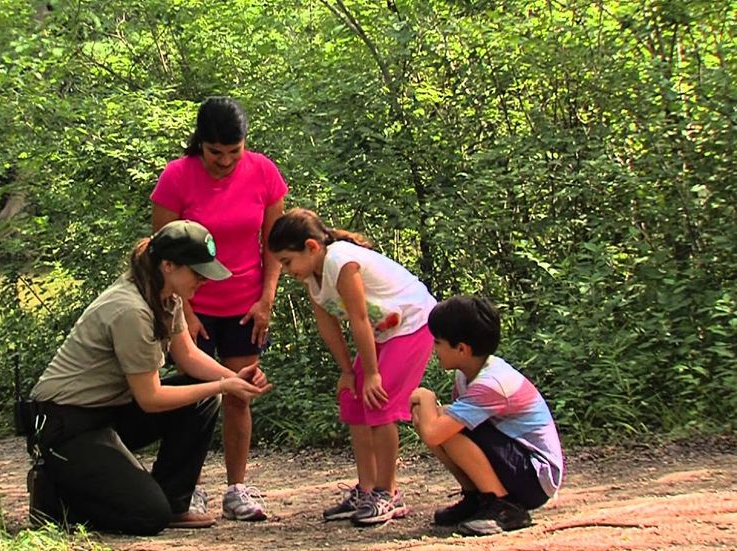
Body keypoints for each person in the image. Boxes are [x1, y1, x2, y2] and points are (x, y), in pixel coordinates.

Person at [26, 220, 272, 536]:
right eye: (197, 272)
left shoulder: (167, 296)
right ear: (168, 265)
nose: (203, 281)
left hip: (107, 413)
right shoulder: (131, 309)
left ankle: (174, 502)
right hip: (66, 425)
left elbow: (188, 357)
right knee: (147, 517)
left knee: (204, 398)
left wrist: (236, 378)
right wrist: (225, 386)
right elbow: (151, 399)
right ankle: (56, 494)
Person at [150, 96, 287, 521]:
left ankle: (237, 488)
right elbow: (163, 252)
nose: (225, 161)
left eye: (234, 152)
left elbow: (274, 245)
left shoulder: (264, 172)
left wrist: (267, 298)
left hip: (244, 305)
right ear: (200, 144)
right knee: (193, 400)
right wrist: (184, 309)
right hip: (191, 306)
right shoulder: (177, 177)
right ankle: (184, 486)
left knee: (238, 394)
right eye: (215, 153)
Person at [267, 208, 436, 526]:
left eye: (288, 261)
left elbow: (358, 319)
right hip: (384, 330)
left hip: (413, 323)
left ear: (311, 247)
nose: (287, 270)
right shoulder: (313, 277)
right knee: (353, 399)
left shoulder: (341, 261)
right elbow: (328, 327)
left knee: (379, 402)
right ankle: (367, 489)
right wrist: (348, 372)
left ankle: (388, 493)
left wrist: (371, 375)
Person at [410, 296, 564, 536]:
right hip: (517, 464)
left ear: (462, 349)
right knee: (436, 418)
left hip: (535, 476)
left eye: (438, 342)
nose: (434, 348)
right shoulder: (467, 375)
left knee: (442, 424)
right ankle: (478, 497)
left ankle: (504, 507)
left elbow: (434, 433)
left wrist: (425, 395)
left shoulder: (491, 383)